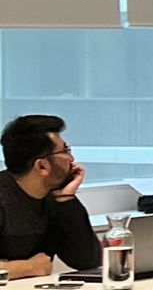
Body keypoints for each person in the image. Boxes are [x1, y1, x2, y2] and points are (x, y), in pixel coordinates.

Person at [0, 113, 99, 279]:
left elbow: (87, 261)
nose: (72, 159)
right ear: (42, 166)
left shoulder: (54, 197)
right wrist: (29, 268)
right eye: (65, 151)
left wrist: (66, 198)